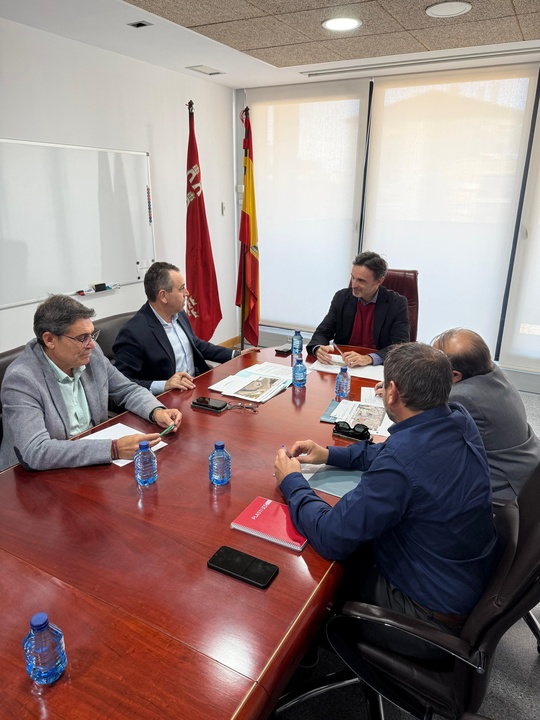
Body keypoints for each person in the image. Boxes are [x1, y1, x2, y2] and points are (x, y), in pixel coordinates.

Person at [274, 343, 498, 657]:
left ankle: (299, 655)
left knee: (309, 572)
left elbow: (330, 536)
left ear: (390, 392)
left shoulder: (401, 463)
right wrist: (330, 454)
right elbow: (386, 452)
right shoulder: (458, 418)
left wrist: (292, 481)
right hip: (463, 582)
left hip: (426, 618)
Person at [0, 295, 181, 472]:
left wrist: (156, 411)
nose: (92, 345)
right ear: (49, 340)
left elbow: (127, 389)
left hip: (91, 463)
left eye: (92, 335)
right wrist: (114, 449)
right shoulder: (22, 380)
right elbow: (36, 451)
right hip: (31, 480)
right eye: (82, 338)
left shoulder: (91, 356)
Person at [432, 328, 540, 499]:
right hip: (526, 463)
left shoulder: (464, 397)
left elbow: (435, 443)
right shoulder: (489, 371)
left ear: (455, 375)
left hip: (503, 482)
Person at [113, 261, 251, 394]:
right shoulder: (133, 332)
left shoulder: (179, 314)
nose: (187, 293)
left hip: (196, 386)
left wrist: (236, 355)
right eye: (181, 289)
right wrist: (164, 385)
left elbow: (196, 345)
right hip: (166, 401)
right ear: (163, 296)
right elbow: (121, 382)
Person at [306, 251, 410, 367]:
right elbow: (323, 332)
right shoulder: (342, 298)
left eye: (361, 280)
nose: (353, 285)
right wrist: (318, 348)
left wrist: (369, 358)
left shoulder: (396, 303)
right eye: (353, 278)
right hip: (344, 365)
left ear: (379, 281)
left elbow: (400, 346)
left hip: (376, 367)